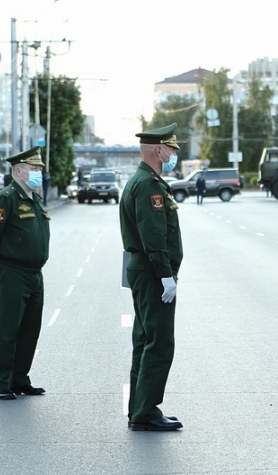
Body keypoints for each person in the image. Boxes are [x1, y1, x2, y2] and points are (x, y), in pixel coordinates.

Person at [120, 123, 184, 432]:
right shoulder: (148, 185)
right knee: (158, 342)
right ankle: (145, 410)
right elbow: (153, 235)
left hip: (145, 270)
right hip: (151, 272)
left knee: (145, 340)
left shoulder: (147, 181)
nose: (174, 155)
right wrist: (165, 276)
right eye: (171, 149)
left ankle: (140, 408)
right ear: (158, 150)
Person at [0, 148, 51, 400]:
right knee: (8, 328)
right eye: (34, 169)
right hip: (13, 271)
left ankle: (19, 379)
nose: (39, 173)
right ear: (19, 171)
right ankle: (0, 382)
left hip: (35, 273)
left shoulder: (35, 199)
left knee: (30, 329)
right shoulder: (6, 198)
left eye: (40, 169)